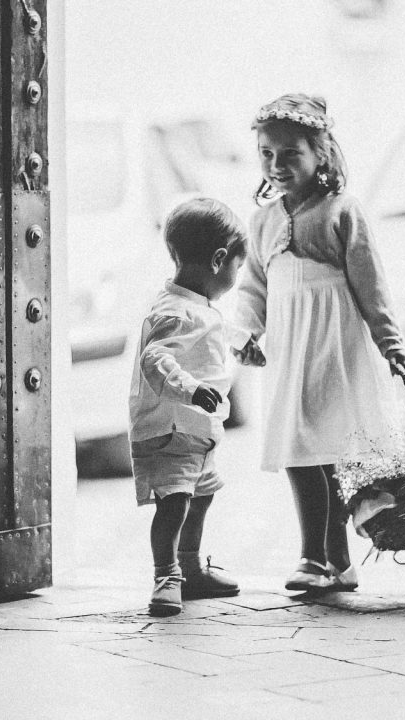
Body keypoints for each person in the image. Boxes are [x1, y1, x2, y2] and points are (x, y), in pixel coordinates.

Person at [233, 93, 405, 593]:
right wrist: (246, 331)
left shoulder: (342, 211)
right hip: (291, 349)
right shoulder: (264, 221)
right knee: (297, 447)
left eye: (291, 154)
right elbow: (253, 286)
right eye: (267, 153)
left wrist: (389, 341)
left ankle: (328, 557)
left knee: (331, 448)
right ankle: (320, 556)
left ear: (321, 153)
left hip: (336, 344)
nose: (276, 165)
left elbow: (371, 284)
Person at [128, 197, 249, 617]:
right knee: (174, 503)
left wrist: (241, 343)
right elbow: (155, 358)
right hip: (171, 427)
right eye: (238, 266)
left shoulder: (193, 305)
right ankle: (166, 577)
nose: (237, 275)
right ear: (219, 260)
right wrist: (191, 388)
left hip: (196, 430)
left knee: (201, 496)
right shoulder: (174, 312)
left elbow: (212, 327)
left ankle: (191, 566)